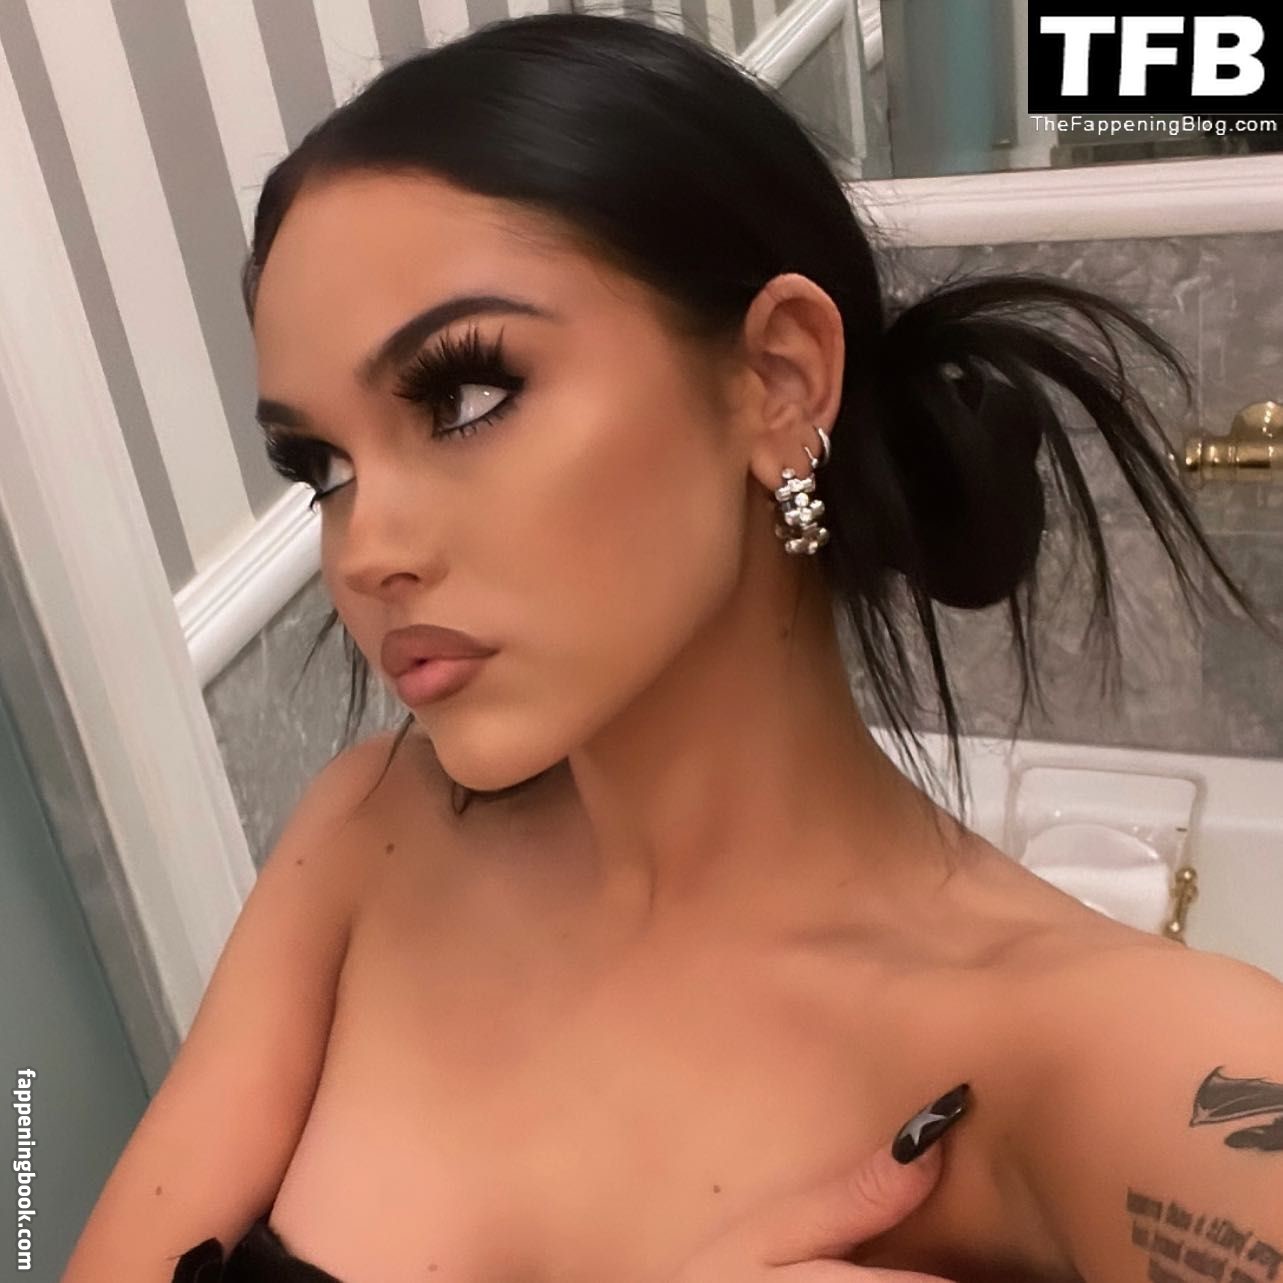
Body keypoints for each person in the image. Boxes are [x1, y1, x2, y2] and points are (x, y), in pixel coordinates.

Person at [63, 10, 1283, 1283]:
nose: (363, 547)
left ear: (778, 380)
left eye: (464, 396)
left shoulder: (1113, 1055)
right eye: (321, 465)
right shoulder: (369, 833)